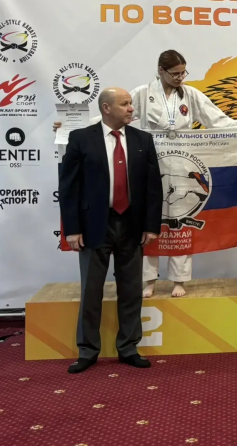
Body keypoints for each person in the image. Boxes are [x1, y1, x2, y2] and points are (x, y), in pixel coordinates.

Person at [54, 50, 237, 298]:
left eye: (183, 73)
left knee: (179, 219)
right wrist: (70, 126)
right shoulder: (143, 94)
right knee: (148, 220)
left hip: (183, 162)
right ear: (161, 71)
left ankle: (179, 280)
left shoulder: (191, 95)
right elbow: (106, 117)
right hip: (148, 160)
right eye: (175, 73)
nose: (180, 78)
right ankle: (149, 279)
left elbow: (219, 120)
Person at [59, 88, 163, 374]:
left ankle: (128, 347)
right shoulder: (81, 138)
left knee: (131, 290)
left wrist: (151, 225)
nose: (131, 109)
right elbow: (68, 187)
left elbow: (153, 187)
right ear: (106, 108)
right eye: (125, 104)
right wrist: (72, 229)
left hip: (132, 225)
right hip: (94, 225)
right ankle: (87, 350)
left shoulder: (143, 140)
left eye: (131, 104)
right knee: (91, 290)